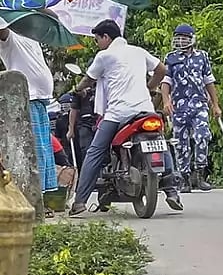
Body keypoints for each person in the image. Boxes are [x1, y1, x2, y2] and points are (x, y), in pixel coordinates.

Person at [69, 20, 183, 216]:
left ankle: (80, 201)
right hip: (145, 109)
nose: (97, 44)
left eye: (97, 40)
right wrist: (149, 87)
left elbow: (89, 79)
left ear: (106, 37)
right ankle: (172, 191)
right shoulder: (139, 51)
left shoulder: (104, 56)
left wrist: (77, 90)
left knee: (95, 151)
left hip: (118, 113)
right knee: (159, 142)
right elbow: (162, 70)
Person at [161, 23, 221, 193]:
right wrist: (166, 101)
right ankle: (184, 179)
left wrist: (215, 105)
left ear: (192, 39)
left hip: (199, 104)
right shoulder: (171, 58)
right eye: (178, 38)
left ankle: (200, 175)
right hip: (179, 106)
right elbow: (166, 82)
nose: (180, 41)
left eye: (184, 38)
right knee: (181, 143)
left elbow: (209, 81)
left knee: (202, 136)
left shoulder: (202, 57)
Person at [0, 18, 57, 195]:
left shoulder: (31, 37)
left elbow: (49, 15)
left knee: (43, 149)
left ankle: (41, 194)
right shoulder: (9, 36)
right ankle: (32, 193)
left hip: (39, 99)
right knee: (31, 149)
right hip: (25, 99)